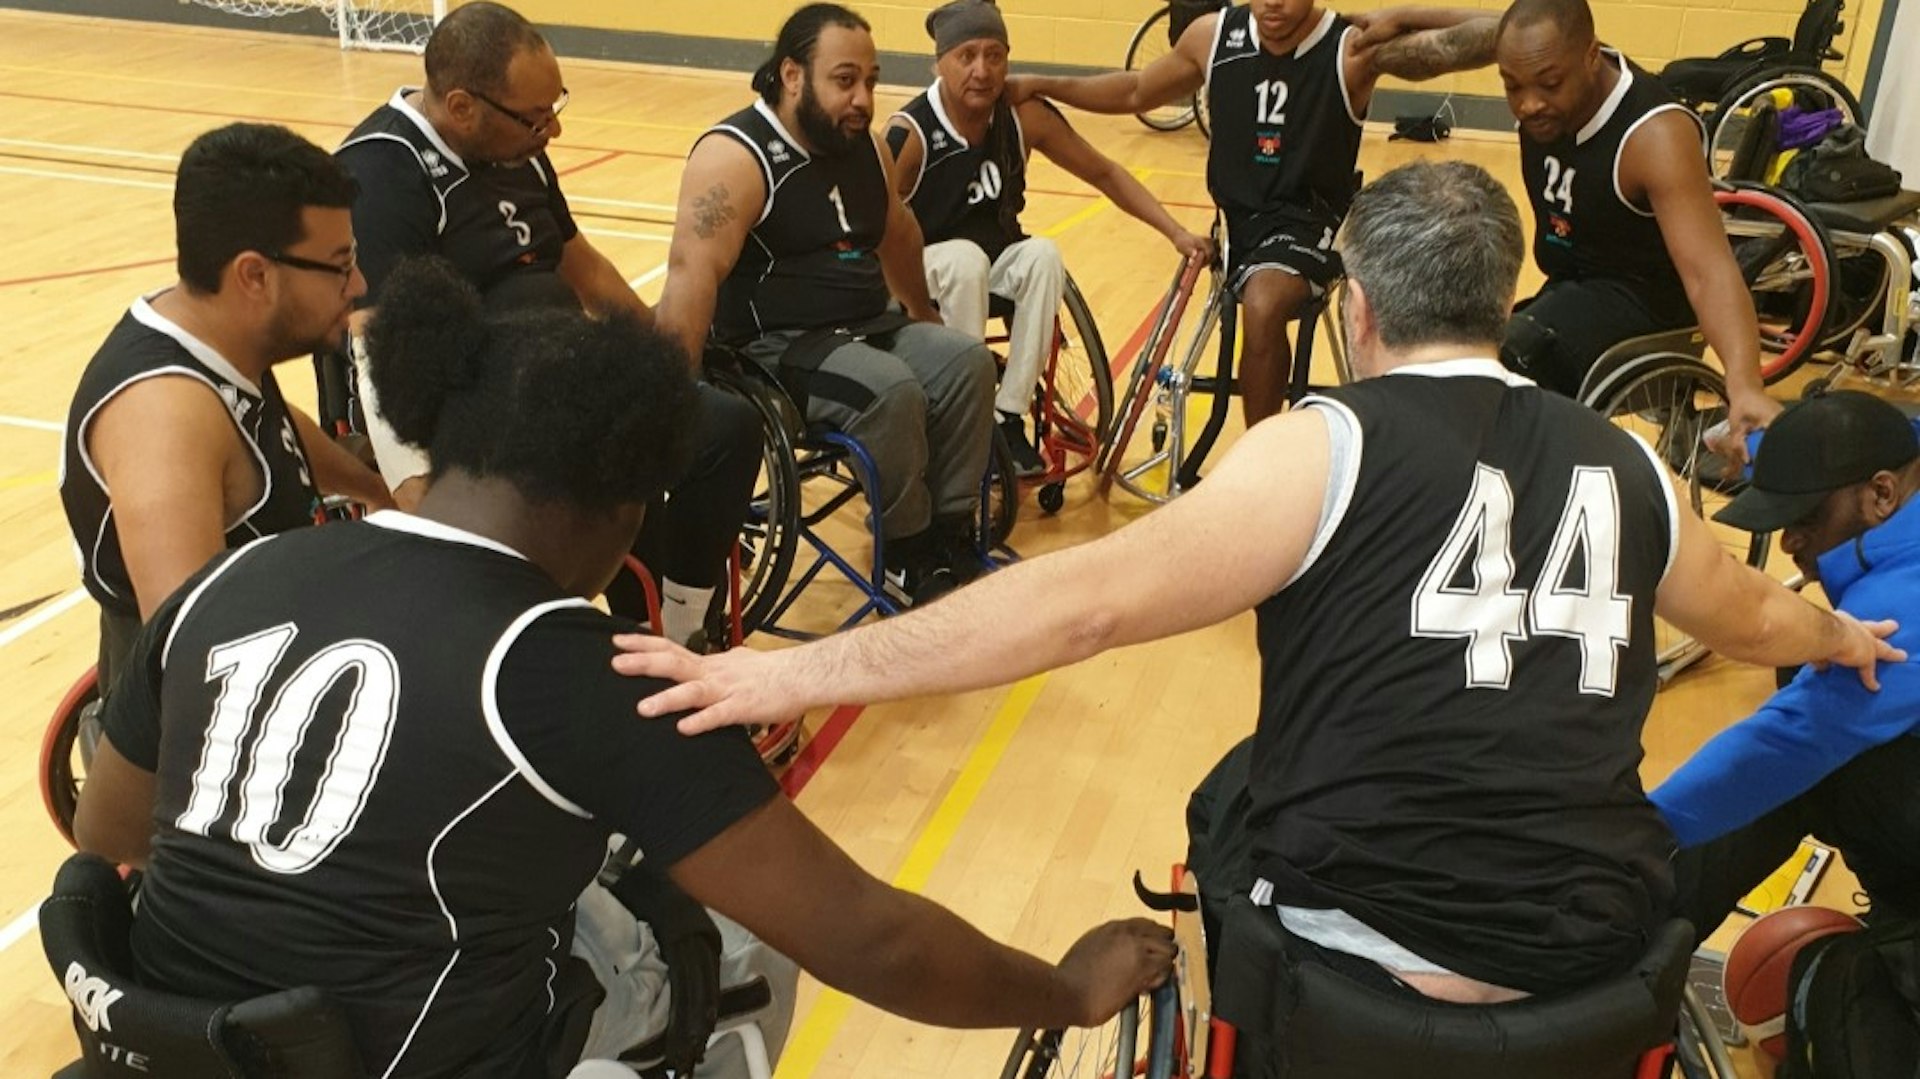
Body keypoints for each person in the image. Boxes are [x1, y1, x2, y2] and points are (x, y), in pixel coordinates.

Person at [612, 161, 1901, 1054]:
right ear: (1502, 304)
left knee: (1228, 798)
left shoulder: (1319, 446)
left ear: (1357, 308)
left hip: (1364, 973)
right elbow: (1754, 621)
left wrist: (790, 674)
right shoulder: (1633, 468)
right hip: (1592, 955)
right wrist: (1846, 636)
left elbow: (1077, 608)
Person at [70, 256, 1173, 1079]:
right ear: (617, 499)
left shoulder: (233, 581)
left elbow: (109, 836)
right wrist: (1069, 988)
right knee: (744, 941)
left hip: (181, 1043)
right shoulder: (576, 669)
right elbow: (872, 938)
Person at [334, 1, 760, 647]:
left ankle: (682, 621)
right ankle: (634, 642)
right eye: (536, 116)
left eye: (555, 106)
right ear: (461, 106)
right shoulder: (383, 169)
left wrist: (663, 361)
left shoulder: (516, 149)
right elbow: (378, 342)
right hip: (476, 410)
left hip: (560, 376)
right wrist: (408, 482)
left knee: (725, 425)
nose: (552, 131)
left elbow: (582, 266)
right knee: (618, 446)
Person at [1006, 0, 1501, 424]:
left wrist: (1403, 12)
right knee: (1257, 285)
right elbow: (1136, 92)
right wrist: (1041, 82)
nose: (1272, 5)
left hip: (1310, 223)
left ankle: (1260, 454)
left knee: (1263, 303)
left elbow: (1485, 37)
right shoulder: (1214, 36)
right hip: (1237, 224)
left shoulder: (1350, 49)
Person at [654, 3, 998, 604]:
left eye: (870, 80)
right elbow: (690, 278)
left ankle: (949, 531)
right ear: (792, 75)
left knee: (966, 362)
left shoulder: (866, 148)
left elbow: (899, 233)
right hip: (773, 349)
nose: (864, 98)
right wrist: (673, 409)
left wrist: (923, 313)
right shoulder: (735, 156)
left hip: (868, 325)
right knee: (891, 390)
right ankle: (907, 552)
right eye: (845, 81)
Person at [60, 122, 391, 688]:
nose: (358, 283)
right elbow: (189, 658)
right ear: (255, 275)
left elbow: (277, 426)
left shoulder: (219, 333)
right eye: (339, 264)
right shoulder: (164, 420)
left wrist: (381, 492)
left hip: (271, 624)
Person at [1652, 391, 1920, 1067]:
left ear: (1881, 494)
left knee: (1797, 762)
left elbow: (1772, 751)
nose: (1791, 541)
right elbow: (1861, 436)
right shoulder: (1897, 471)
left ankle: (1614, 938)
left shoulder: (1899, 612)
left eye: (1802, 519)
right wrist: (1765, 436)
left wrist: (1628, 831)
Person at [884, 0, 1211, 475]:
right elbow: (869, 224)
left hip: (991, 263)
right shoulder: (909, 132)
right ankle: (963, 406)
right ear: (939, 63)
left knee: (1041, 255)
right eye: (967, 56)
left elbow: (1103, 172)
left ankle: (1007, 414)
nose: (982, 70)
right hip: (924, 274)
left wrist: (1176, 231)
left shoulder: (1024, 117)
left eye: (995, 55)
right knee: (963, 260)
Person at [1494, 0, 1780, 456]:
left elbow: (1710, 272)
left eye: (1549, 84)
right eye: (1512, 86)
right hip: (1573, 288)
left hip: (1645, 306)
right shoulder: (1540, 63)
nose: (1529, 103)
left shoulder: (1654, 136)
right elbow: (1475, 32)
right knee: (1453, 348)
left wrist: (1744, 384)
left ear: (1591, 55)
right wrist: (1391, 24)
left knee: (1510, 371)